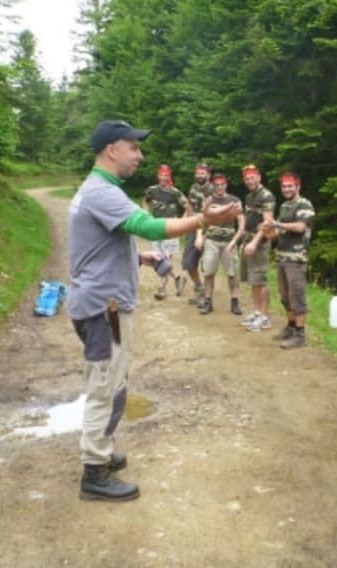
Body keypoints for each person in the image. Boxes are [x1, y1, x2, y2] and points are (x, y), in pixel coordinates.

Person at [68, 119, 237, 502]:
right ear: (112, 150)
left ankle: (103, 451)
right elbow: (148, 224)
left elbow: (106, 240)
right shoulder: (102, 192)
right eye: (134, 148)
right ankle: (94, 471)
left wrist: (137, 256)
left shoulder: (100, 189)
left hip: (99, 302)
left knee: (112, 379)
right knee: (105, 384)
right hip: (104, 307)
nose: (139, 156)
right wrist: (201, 220)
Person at [267, 172, 315, 349]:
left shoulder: (304, 204)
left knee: (297, 296)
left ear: (298, 186)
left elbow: (300, 227)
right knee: (285, 296)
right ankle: (290, 327)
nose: (287, 189)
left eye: (290, 186)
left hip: (296, 257)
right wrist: (268, 231)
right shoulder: (285, 206)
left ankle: (300, 335)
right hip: (282, 256)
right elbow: (278, 231)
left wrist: (277, 224)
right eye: (284, 186)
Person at [197, 173, 245, 315]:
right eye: (216, 185)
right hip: (211, 240)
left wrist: (234, 241)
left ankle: (235, 302)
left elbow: (241, 224)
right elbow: (203, 219)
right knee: (209, 273)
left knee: (232, 274)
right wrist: (200, 236)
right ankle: (208, 301)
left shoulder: (235, 200)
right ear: (213, 185)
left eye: (222, 184)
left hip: (228, 241)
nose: (219, 187)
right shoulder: (209, 200)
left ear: (226, 185)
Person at [142, 164, 189, 299]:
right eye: (161, 175)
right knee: (156, 258)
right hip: (155, 227)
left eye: (166, 175)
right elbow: (145, 202)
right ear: (158, 176)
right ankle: (177, 277)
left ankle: (161, 288)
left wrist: (182, 223)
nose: (163, 178)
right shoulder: (152, 190)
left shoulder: (175, 192)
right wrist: (146, 214)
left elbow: (187, 206)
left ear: (169, 176)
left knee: (165, 258)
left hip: (170, 228)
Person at [239, 164, 275, 332]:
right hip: (248, 241)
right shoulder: (249, 196)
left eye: (252, 177)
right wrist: (243, 241)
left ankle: (265, 317)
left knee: (261, 280)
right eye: (247, 179)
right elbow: (248, 219)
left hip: (259, 244)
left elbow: (267, 223)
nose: (249, 181)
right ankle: (257, 312)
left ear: (259, 177)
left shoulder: (266, 196)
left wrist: (254, 242)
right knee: (253, 280)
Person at [182, 162, 215, 305]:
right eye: (198, 173)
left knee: (208, 265)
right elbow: (189, 205)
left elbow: (207, 214)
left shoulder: (212, 190)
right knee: (188, 263)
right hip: (192, 228)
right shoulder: (193, 187)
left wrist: (201, 234)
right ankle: (199, 287)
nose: (200, 175)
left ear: (208, 175)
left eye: (203, 173)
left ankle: (207, 297)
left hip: (209, 230)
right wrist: (184, 222)